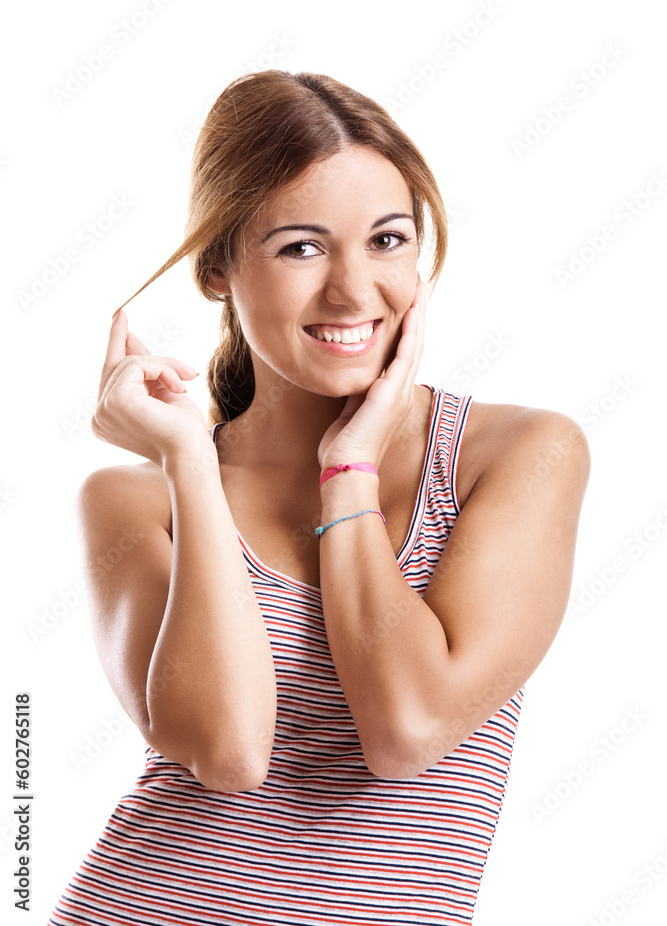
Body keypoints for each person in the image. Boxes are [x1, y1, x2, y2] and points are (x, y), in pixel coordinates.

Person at [48, 69, 590, 925]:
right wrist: (191, 463)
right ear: (217, 268)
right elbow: (228, 752)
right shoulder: (135, 500)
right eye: (301, 247)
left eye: (387, 240)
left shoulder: (517, 454)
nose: (351, 290)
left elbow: (406, 725)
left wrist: (350, 468)